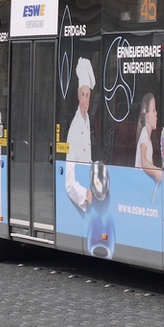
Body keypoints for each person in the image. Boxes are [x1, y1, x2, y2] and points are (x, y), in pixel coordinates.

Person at [65, 58, 95, 212]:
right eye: (82, 95)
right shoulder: (74, 129)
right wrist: (85, 194)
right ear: (78, 94)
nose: (85, 101)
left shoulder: (87, 119)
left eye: (87, 95)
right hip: (80, 195)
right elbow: (69, 183)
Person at [134, 93, 162, 183]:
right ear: (148, 117)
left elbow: (149, 162)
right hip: (141, 183)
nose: (156, 113)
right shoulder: (144, 134)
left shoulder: (148, 139)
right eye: (153, 110)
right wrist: (156, 171)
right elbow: (144, 161)